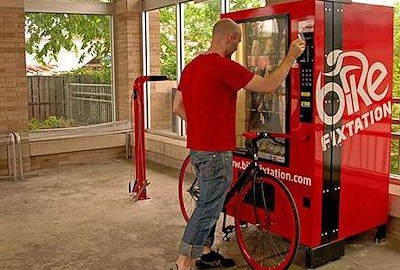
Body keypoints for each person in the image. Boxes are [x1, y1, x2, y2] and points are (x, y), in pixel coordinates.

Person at [171, 18, 305, 270]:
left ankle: (206, 251)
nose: (238, 47)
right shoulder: (223, 67)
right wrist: (290, 56)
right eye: (239, 42)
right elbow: (269, 85)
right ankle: (183, 262)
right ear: (229, 38)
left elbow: (177, 107)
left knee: (211, 201)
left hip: (198, 149)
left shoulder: (192, 66)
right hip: (215, 152)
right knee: (209, 207)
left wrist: (201, 122)